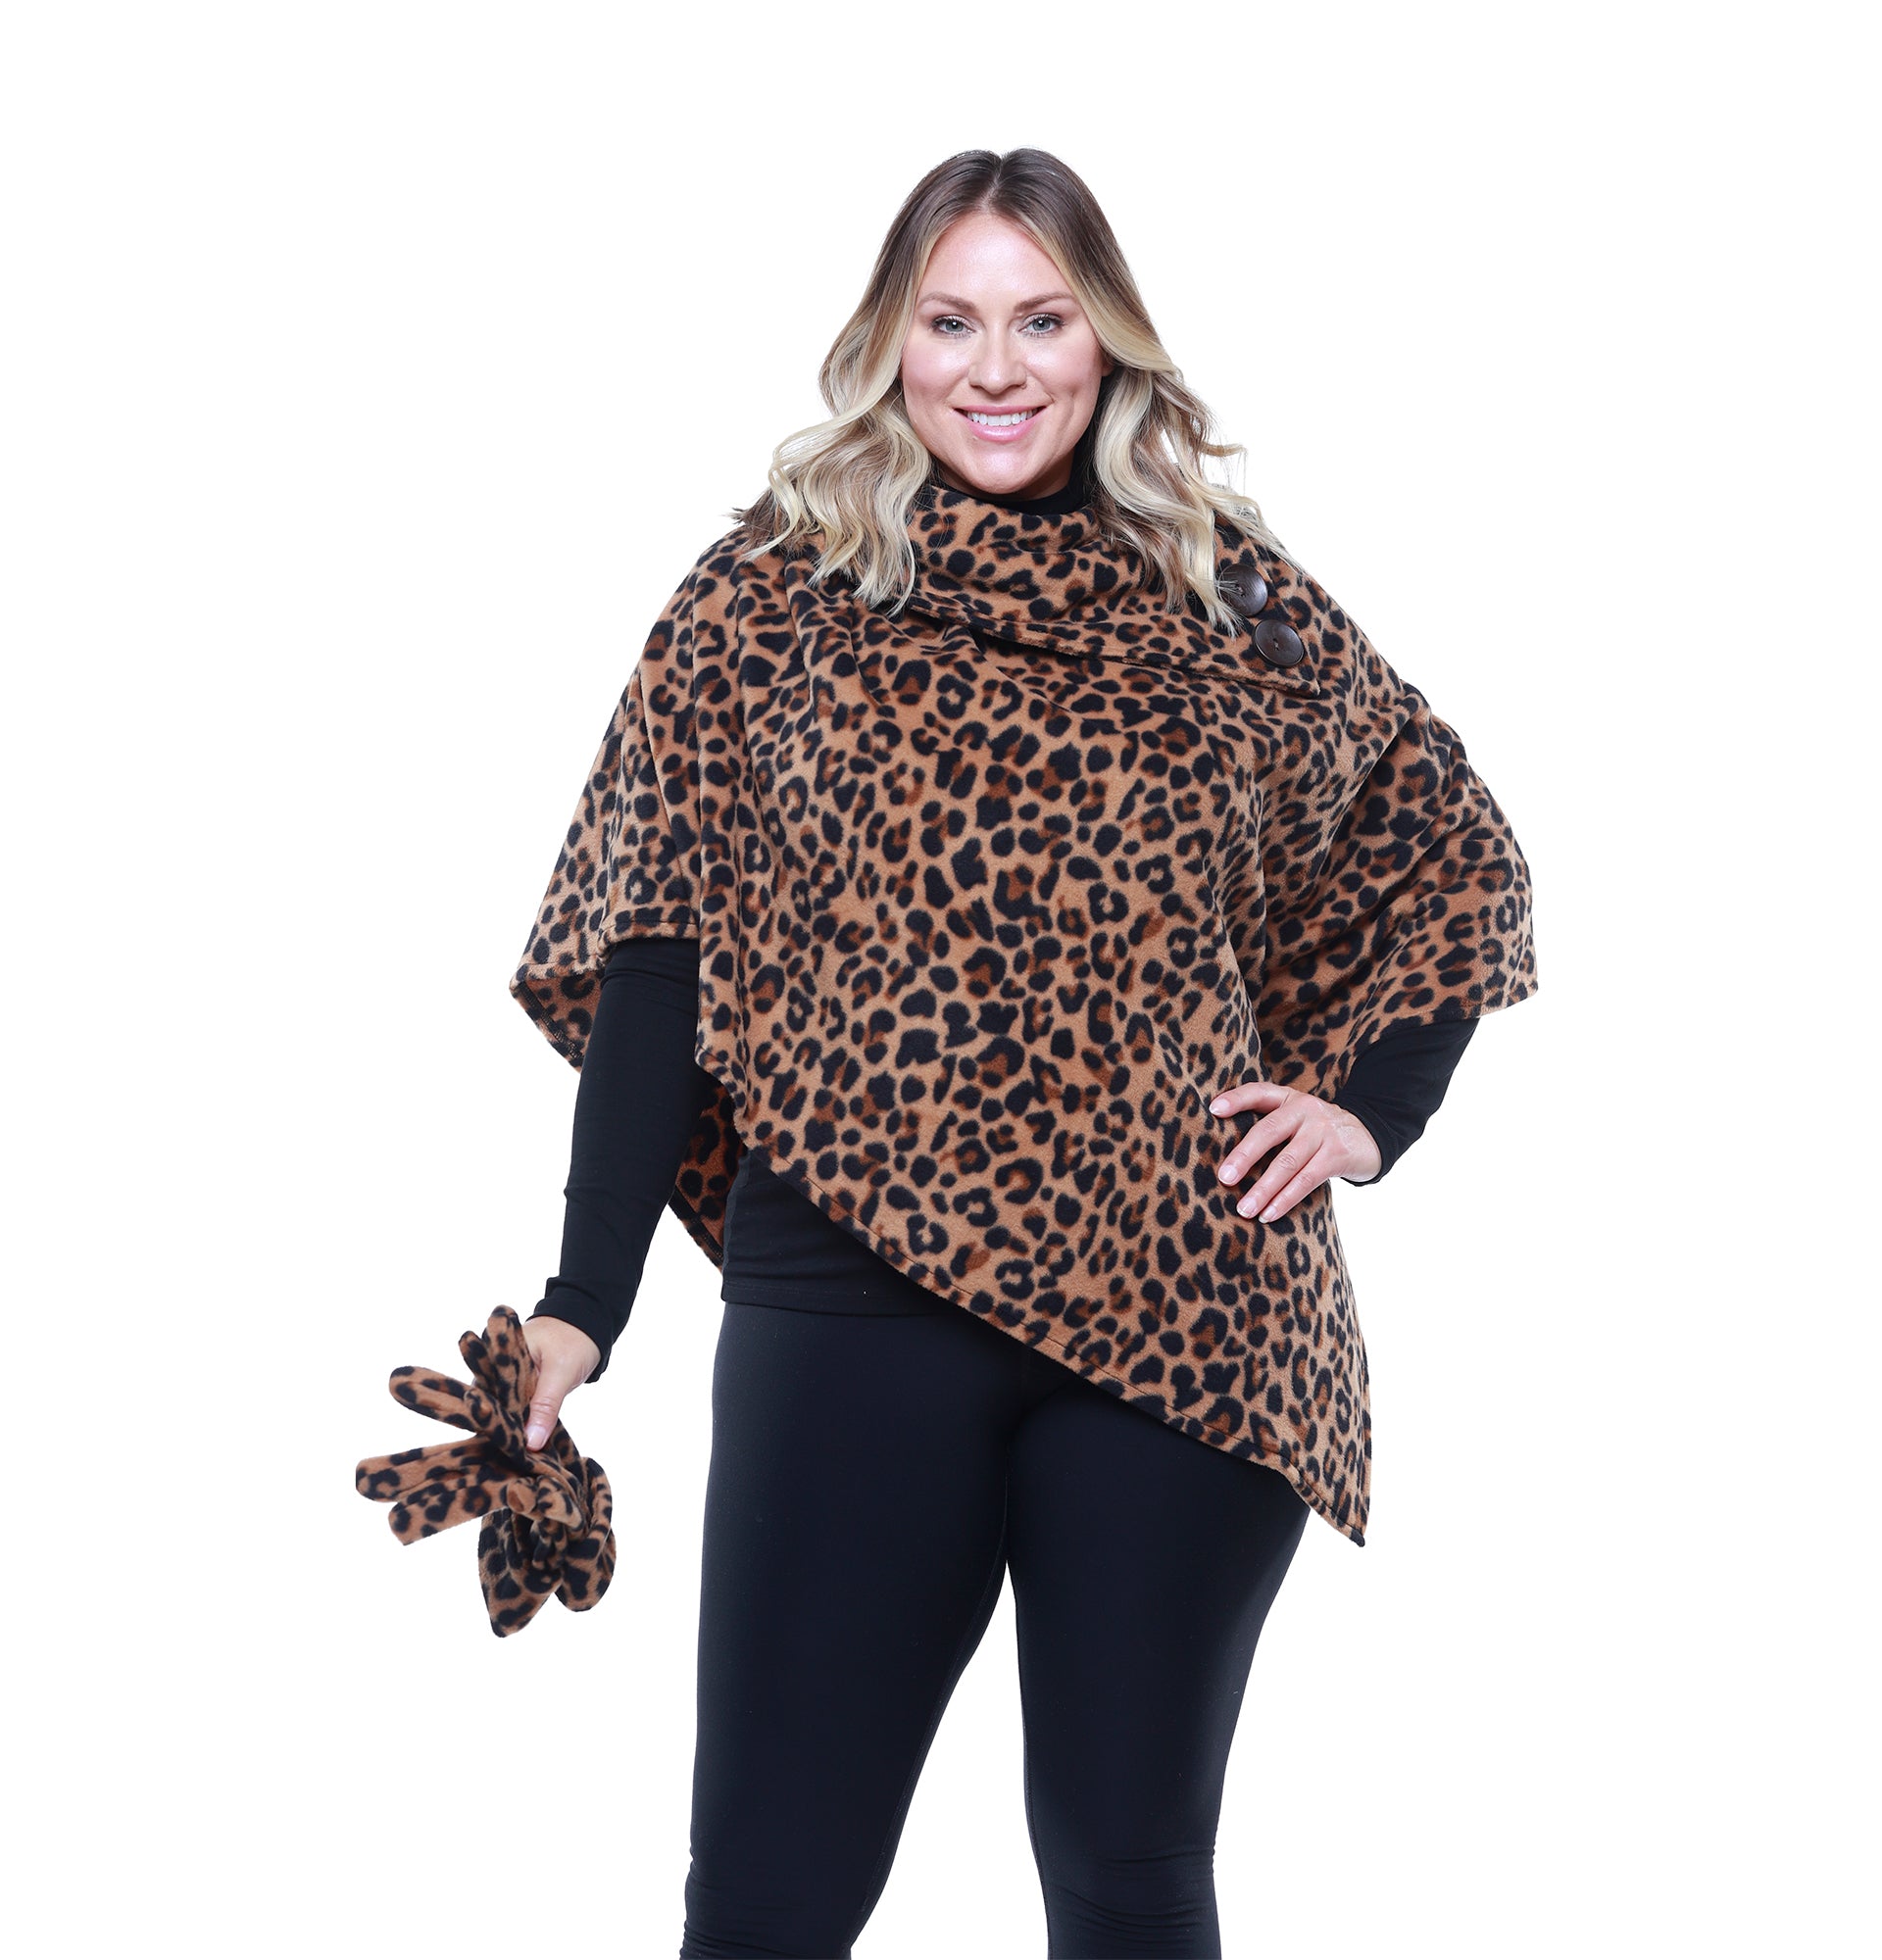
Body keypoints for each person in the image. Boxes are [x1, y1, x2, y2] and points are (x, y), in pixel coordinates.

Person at [506, 149, 1537, 1960]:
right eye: (952, 321)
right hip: (848, 1297)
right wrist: (582, 1304)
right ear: (890, 344)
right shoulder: (771, 598)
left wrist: (1369, 1112)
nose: (998, 369)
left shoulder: (1230, 598)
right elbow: (659, 948)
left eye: (1044, 320)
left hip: (1184, 1314)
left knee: (1129, 1880)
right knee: (767, 1897)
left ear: (1108, 340)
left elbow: (1443, 850)